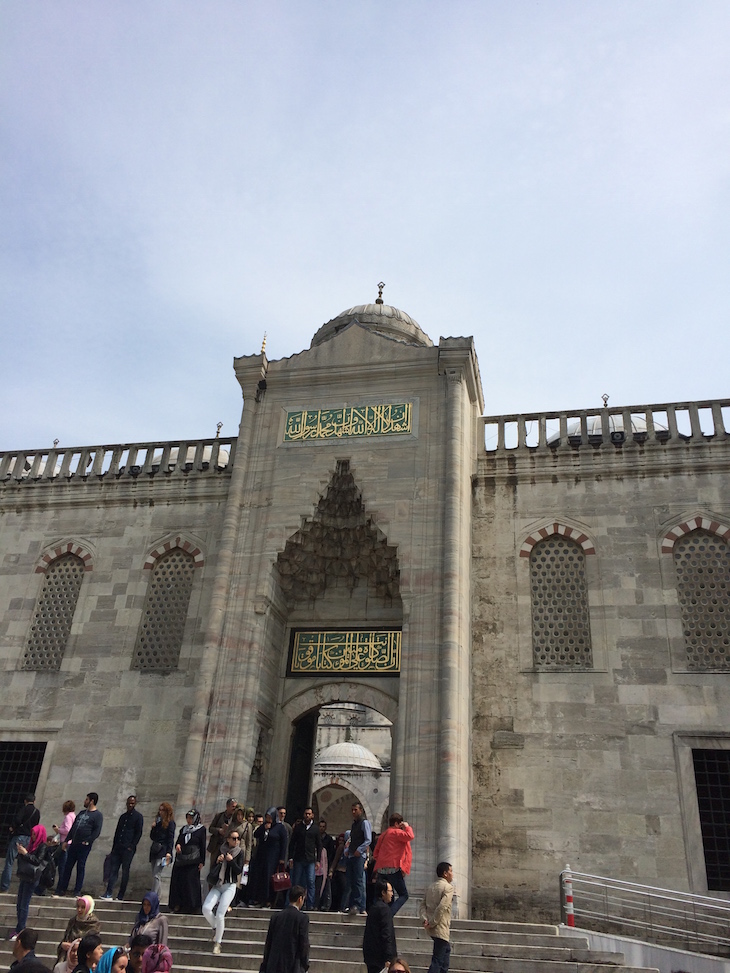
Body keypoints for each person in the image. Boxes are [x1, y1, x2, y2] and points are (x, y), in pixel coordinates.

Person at [202, 828, 243, 954]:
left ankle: (218, 942)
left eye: (238, 838)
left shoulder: (239, 852)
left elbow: (238, 871)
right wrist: (218, 861)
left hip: (230, 885)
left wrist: (230, 861)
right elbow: (213, 869)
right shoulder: (221, 850)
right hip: (218, 885)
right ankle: (216, 927)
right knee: (206, 908)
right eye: (234, 838)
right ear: (228, 840)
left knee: (220, 913)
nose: (236, 841)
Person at [55, 793, 103, 896]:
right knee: (68, 866)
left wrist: (88, 841)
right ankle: (62, 889)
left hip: (84, 845)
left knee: (80, 867)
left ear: (92, 801)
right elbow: (73, 828)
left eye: (86, 799)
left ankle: (77, 891)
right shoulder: (81, 813)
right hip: (74, 844)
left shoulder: (97, 815)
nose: (84, 801)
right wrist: (66, 841)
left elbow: (96, 831)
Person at [259, 884, 309, 973]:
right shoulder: (302, 918)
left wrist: (264, 965)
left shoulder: (276, 917)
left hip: (273, 964)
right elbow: (303, 944)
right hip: (292, 965)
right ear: (300, 899)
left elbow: (268, 944)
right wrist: (305, 964)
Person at [14, 826, 53, 936]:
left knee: (24, 904)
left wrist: (25, 853)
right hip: (25, 876)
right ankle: (19, 927)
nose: (33, 836)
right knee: (19, 903)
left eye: (35, 834)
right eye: (32, 834)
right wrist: (22, 852)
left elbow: (37, 861)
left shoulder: (43, 846)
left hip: (32, 878)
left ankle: (20, 929)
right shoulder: (31, 845)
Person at [372, 813, 414, 916]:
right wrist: (407, 826)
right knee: (403, 895)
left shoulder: (383, 835)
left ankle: (376, 914)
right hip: (393, 867)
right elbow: (410, 836)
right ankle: (389, 915)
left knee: (384, 893)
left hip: (381, 868)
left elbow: (375, 853)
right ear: (396, 823)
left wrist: (383, 861)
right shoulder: (396, 833)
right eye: (400, 824)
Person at [103, 796, 144, 901]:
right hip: (118, 848)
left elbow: (138, 833)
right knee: (113, 870)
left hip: (128, 849)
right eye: (129, 803)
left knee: (125, 871)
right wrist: (114, 847)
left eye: (132, 803)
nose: (130, 805)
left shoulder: (138, 817)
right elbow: (118, 832)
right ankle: (108, 893)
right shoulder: (123, 817)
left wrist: (131, 846)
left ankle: (120, 895)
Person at [419, 861, 455, 973]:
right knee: (438, 960)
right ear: (445, 873)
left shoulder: (431, 887)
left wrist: (425, 919)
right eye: (451, 871)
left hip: (431, 927)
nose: (452, 874)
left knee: (445, 954)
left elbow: (422, 905)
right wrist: (432, 922)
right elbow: (442, 907)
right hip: (440, 927)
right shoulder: (448, 888)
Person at [168, 809, 205, 914]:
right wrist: (178, 845)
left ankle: (192, 906)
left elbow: (202, 845)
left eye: (191, 818)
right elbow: (179, 841)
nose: (189, 820)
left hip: (193, 860)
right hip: (182, 860)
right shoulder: (184, 829)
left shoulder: (201, 829)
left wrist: (202, 861)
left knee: (190, 882)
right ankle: (177, 905)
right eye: (188, 818)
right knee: (178, 881)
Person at [248, 808, 287, 908]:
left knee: (268, 878)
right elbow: (256, 834)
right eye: (267, 817)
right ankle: (258, 899)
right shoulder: (264, 826)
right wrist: (263, 828)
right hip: (261, 856)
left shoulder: (280, 828)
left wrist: (282, 858)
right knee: (259, 877)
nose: (268, 819)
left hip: (273, 857)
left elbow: (284, 843)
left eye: (270, 817)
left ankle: (268, 901)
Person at [1, 795, 41, 892]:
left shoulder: (24, 809)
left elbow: (18, 820)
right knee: (24, 862)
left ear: (25, 801)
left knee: (10, 861)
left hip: (19, 836)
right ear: (34, 801)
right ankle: (22, 885)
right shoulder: (37, 812)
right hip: (29, 838)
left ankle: (4, 886)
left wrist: (13, 827)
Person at [288, 807, 321, 911]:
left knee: (310, 881)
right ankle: (294, 902)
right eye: (306, 813)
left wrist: (318, 860)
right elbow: (292, 843)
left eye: (309, 814)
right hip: (299, 858)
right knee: (296, 882)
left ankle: (310, 904)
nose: (307, 816)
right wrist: (290, 858)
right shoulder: (298, 827)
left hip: (310, 859)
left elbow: (319, 845)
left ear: (312, 815)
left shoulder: (315, 829)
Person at [363, 878, 397, 973]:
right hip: (381, 958)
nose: (392, 894)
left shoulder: (373, 908)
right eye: (390, 891)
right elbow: (386, 933)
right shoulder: (384, 909)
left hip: (371, 956)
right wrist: (389, 957)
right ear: (383, 892)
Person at [55, 897, 100, 965]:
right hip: (69, 957)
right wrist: (63, 945)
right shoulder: (73, 921)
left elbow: (93, 944)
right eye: (78, 906)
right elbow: (66, 938)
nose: (79, 910)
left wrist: (75, 946)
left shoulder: (94, 923)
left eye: (83, 907)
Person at [344, 802, 371, 916]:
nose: (353, 812)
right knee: (351, 881)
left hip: (359, 857)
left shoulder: (364, 823)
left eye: (355, 810)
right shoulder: (354, 824)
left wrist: (359, 850)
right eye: (352, 810)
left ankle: (358, 905)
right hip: (351, 855)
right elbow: (352, 839)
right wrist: (347, 850)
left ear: (361, 810)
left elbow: (368, 839)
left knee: (359, 881)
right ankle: (351, 905)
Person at [148, 804, 175, 896]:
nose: (160, 812)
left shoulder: (170, 823)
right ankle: (157, 897)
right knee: (154, 874)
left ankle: (152, 896)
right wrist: (153, 827)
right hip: (155, 850)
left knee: (157, 874)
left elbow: (170, 839)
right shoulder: (158, 822)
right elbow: (152, 837)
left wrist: (169, 852)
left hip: (163, 851)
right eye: (159, 810)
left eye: (162, 810)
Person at [206, 798, 237, 877]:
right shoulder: (219, 816)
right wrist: (219, 830)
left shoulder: (235, 819)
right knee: (213, 868)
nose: (234, 808)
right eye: (233, 806)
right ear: (227, 806)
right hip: (216, 846)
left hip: (227, 847)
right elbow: (210, 828)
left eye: (235, 807)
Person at [51, 802, 76, 896]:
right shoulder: (74, 816)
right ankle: (60, 889)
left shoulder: (68, 817)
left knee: (61, 867)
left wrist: (58, 830)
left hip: (65, 844)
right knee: (63, 867)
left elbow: (67, 830)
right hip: (70, 844)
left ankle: (59, 889)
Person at [328, 833, 348, 912]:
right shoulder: (341, 847)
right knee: (342, 889)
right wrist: (331, 870)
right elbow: (336, 859)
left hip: (347, 872)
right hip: (340, 871)